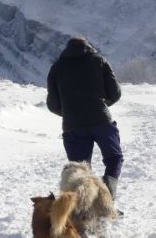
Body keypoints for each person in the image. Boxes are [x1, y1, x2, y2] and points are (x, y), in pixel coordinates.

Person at [46, 37, 124, 202]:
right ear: (87, 46)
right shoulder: (99, 61)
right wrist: (99, 105)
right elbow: (115, 93)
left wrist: (71, 112)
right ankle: (107, 199)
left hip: (72, 126)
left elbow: (53, 105)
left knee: (79, 171)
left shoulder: (56, 68)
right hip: (101, 120)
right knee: (114, 158)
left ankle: (84, 210)